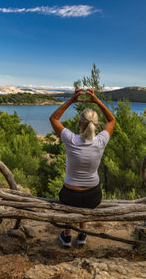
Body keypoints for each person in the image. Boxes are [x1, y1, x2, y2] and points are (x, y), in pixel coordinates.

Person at [49, 88, 115, 247]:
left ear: (79, 124)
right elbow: (112, 120)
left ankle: (66, 236)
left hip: (69, 197)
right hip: (93, 197)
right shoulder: (101, 141)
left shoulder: (70, 139)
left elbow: (54, 118)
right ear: (96, 125)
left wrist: (71, 100)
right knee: (83, 202)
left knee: (70, 203)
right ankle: (82, 234)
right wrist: (97, 101)